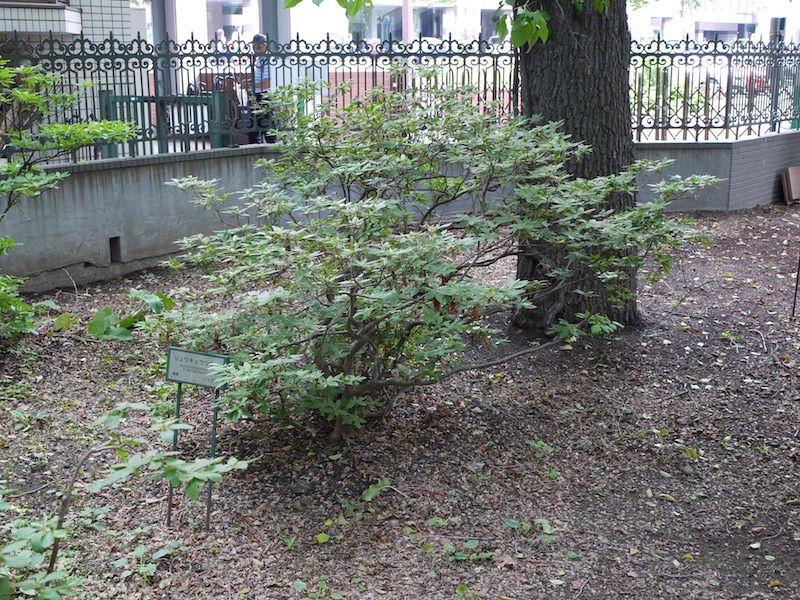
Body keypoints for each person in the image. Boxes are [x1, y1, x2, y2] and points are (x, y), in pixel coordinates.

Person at [248, 33, 276, 143]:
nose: (255, 49)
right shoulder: (261, 60)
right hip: (257, 95)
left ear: (264, 46)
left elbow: (266, 84)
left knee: (267, 127)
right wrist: (250, 83)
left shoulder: (267, 61)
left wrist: (250, 85)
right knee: (254, 127)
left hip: (263, 96)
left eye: (257, 46)